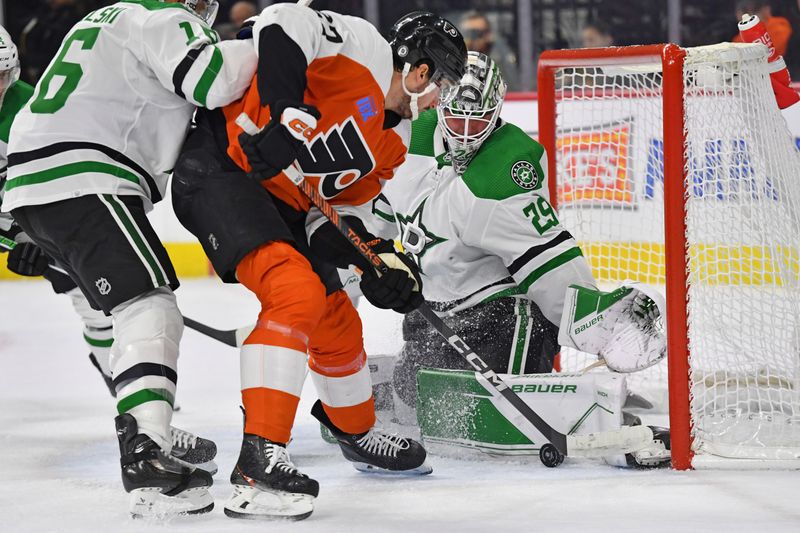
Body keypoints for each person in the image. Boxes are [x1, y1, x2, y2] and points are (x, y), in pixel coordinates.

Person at [171, 4, 466, 520]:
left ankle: (354, 431)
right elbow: (282, 21)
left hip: (286, 204)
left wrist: (378, 263)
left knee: (336, 318)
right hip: (223, 167)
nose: (441, 98)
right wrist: (287, 110)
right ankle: (256, 466)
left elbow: (335, 221)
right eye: (443, 82)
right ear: (420, 71)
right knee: (294, 292)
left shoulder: (390, 144)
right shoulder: (366, 49)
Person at [1, 0, 257, 518]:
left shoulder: (106, 19)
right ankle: (145, 448)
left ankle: (146, 424)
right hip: (82, 175)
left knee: (113, 308)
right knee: (147, 306)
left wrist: (19, 237)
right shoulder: (161, 18)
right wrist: (273, 41)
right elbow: (213, 81)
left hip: (44, 185)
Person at [380, 51, 670, 468]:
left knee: (486, 414)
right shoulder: (414, 135)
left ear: (496, 112)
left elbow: (547, 260)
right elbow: (379, 214)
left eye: (476, 121)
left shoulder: (507, 169)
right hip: (434, 311)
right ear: (440, 104)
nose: (463, 133)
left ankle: (594, 411)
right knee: (412, 402)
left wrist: (599, 323)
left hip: (502, 315)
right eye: (455, 119)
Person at [458, 10, 520, 91]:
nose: (473, 39)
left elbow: (511, 88)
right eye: (467, 33)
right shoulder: (455, 61)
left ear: (488, 35)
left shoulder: (499, 61)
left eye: (478, 33)